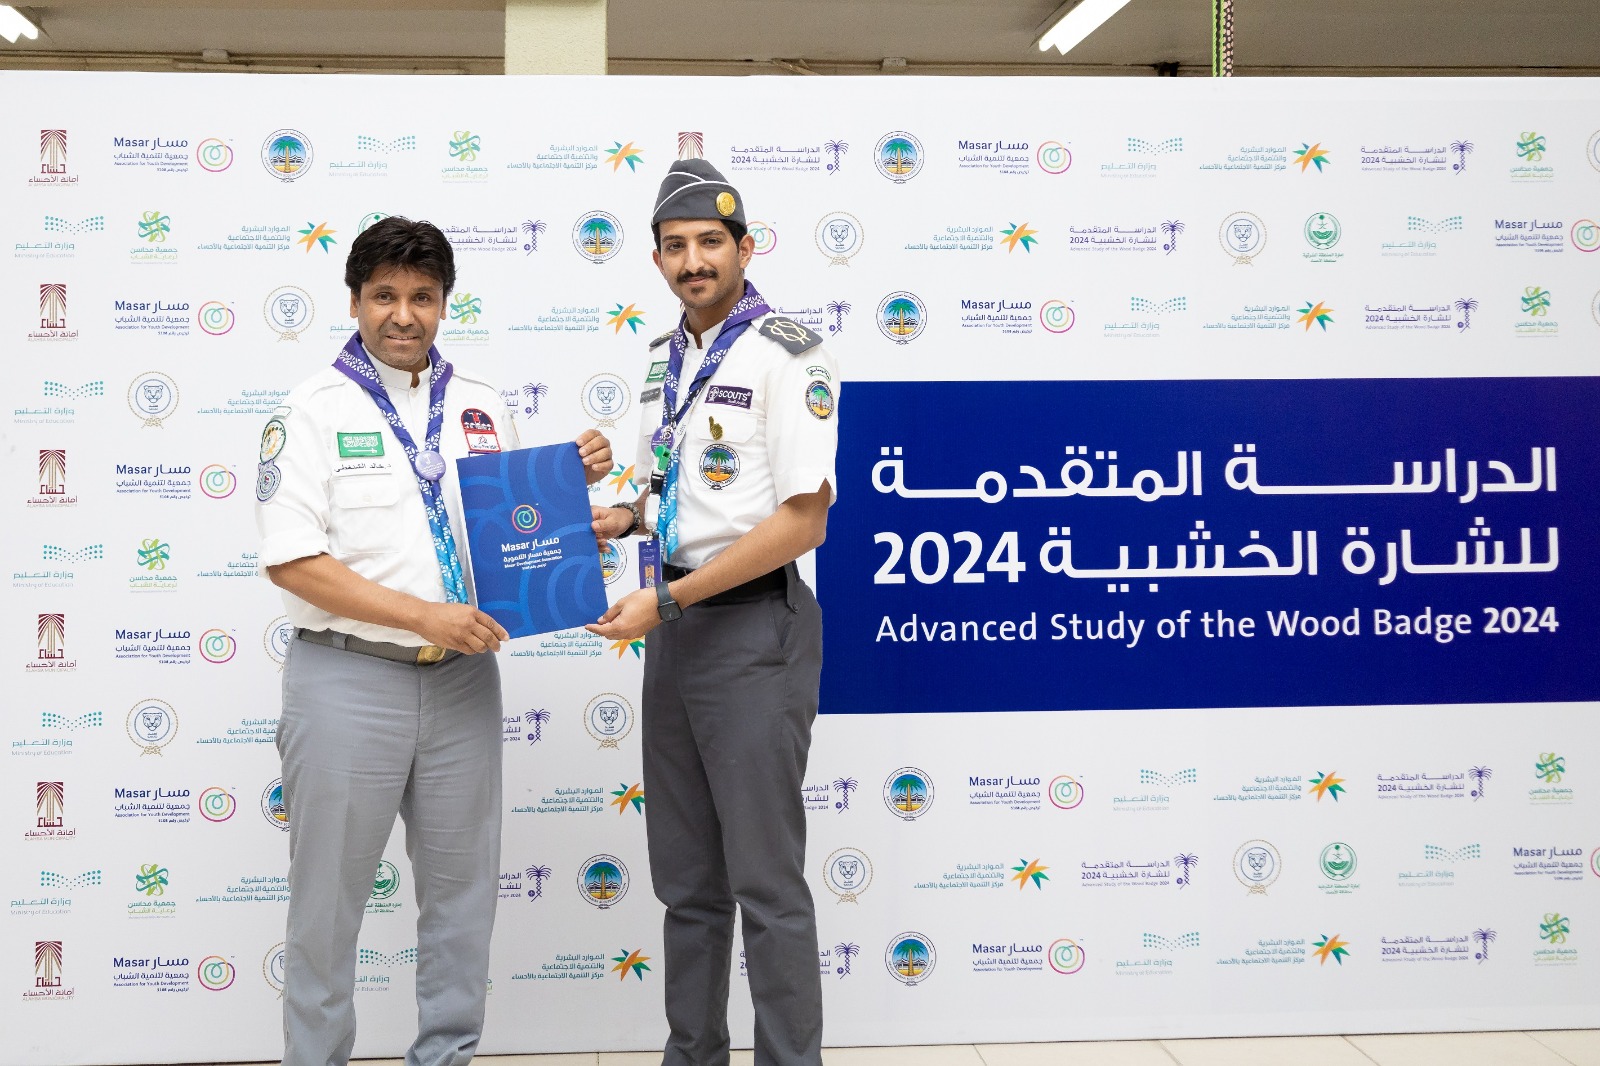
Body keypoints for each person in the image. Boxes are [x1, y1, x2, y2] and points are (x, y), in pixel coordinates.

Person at [257, 216, 611, 1066]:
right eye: (384, 295)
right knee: (326, 910)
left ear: (445, 304)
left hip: (461, 683)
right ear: (355, 301)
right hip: (347, 681)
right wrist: (423, 617)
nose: (403, 314)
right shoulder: (309, 410)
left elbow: (514, 536)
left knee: (462, 903)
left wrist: (571, 492)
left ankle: (446, 1056)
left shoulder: (481, 404)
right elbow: (294, 563)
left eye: (422, 296)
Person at [588, 159, 840, 1066]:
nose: (693, 261)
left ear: (745, 247)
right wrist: (624, 516)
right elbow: (680, 496)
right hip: (677, 631)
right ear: (657, 259)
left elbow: (804, 520)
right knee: (687, 884)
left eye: (709, 243)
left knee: (766, 884)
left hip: (751, 630)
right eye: (675, 246)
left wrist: (668, 599)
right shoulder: (667, 356)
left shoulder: (789, 352)